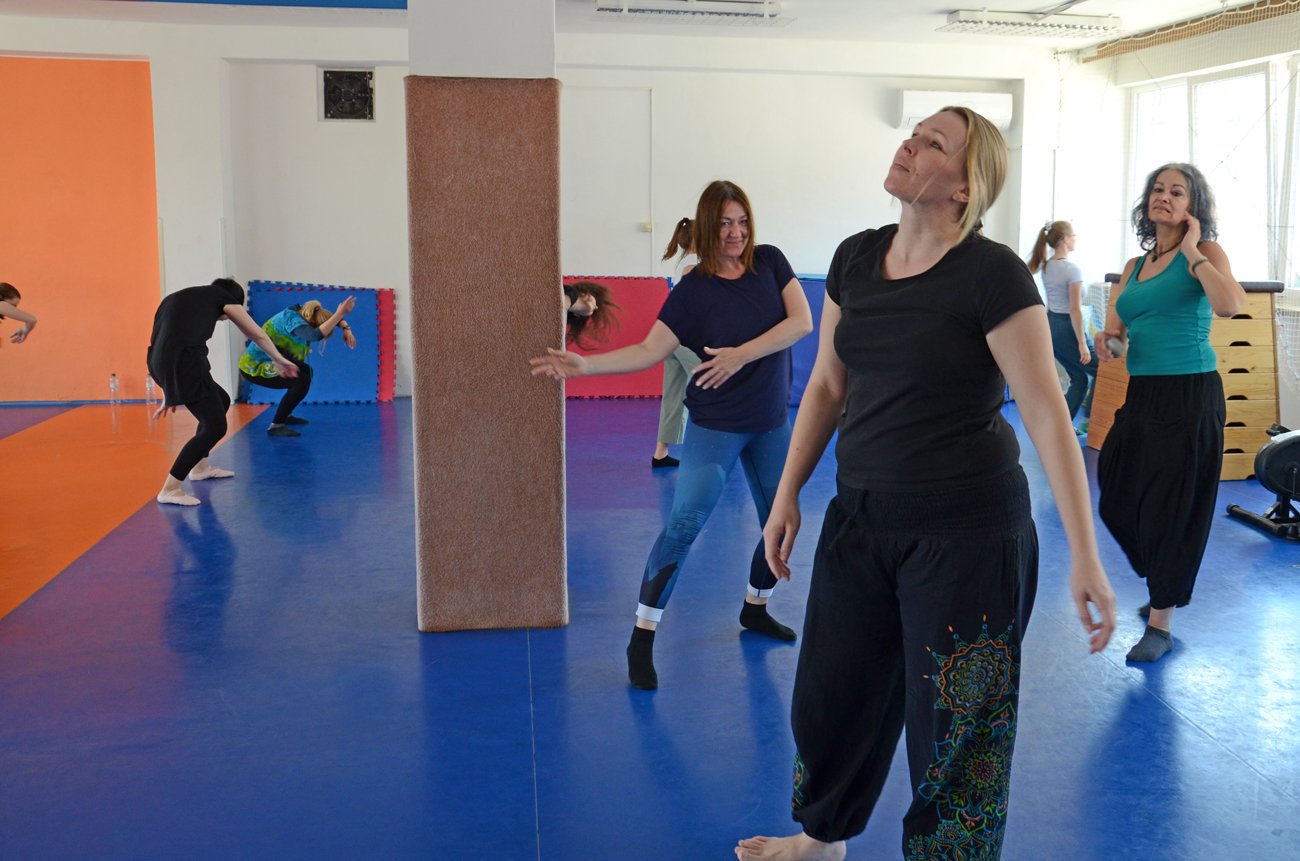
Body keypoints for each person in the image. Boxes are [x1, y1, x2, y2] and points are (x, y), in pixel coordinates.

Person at [735, 107, 1115, 861]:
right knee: (831, 696)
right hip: (860, 517)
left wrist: (1085, 553)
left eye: (933, 143)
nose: (909, 144)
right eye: (914, 132)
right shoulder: (854, 258)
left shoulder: (991, 274)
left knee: (957, 731)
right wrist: (785, 496)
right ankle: (822, 837)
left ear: (965, 188)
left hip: (968, 534)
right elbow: (826, 387)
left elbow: (1046, 413)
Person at [531, 179, 814, 690]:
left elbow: (802, 322)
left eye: (742, 222)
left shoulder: (771, 262)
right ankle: (641, 639)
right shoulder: (694, 291)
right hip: (716, 427)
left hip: (771, 424)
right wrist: (587, 366)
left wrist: (740, 355)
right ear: (707, 227)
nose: (736, 233)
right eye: (724, 224)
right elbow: (649, 350)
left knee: (781, 524)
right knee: (683, 526)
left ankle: (756, 607)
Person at [1094, 163, 1245, 663]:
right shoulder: (1134, 267)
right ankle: (1166, 578)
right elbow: (1119, 332)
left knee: (1174, 508)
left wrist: (1193, 251)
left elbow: (1230, 305)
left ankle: (1161, 621)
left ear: (1192, 207)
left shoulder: (1205, 254)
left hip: (1192, 395)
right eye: (1158, 189)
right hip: (1144, 394)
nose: (1165, 196)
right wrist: (1110, 344)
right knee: (1115, 491)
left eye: (1177, 192)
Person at [148, 278, 299, 506]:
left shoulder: (177, 298)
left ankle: (200, 468)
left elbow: (164, 341)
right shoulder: (223, 297)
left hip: (160, 362)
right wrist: (279, 359)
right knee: (215, 427)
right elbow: (256, 334)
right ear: (233, 298)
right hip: (185, 363)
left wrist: (168, 387)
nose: (224, 319)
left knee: (221, 399)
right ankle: (170, 488)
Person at [238, 297, 357, 437]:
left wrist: (345, 328)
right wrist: (340, 313)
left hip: (278, 358)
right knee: (300, 382)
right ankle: (276, 425)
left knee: (307, 372)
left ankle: (286, 415)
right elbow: (314, 335)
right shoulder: (292, 320)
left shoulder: (308, 311)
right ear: (311, 323)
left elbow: (329, 319)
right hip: (255, 366)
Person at [1027, 220, 1097, 431]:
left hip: (1052, 325)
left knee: (1079, 378)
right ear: (1065, 239)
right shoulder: (1071, 270)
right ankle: (1093, 420)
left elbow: (1052, 304)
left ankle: (1061, 427)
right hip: (1068, 328)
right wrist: (1082, 344)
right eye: (1074, 236)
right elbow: (1075, 309)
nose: (1075, 240)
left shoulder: (1047, 266)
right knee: (1102, 370)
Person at [651, 217, 705, 469]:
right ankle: (717, 447)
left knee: (674, 395)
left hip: (674, 337)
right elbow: (693, 302)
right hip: (685, 338)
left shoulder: (687, 260)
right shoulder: (693, 264)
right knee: (715, 383)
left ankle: (660, 454)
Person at [563, 280, 620, 349]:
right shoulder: (571, 292)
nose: (595, 307)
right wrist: (584, 306)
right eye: (594, 306)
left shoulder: (568, 318)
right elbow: (562, 303)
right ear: (584, 294)